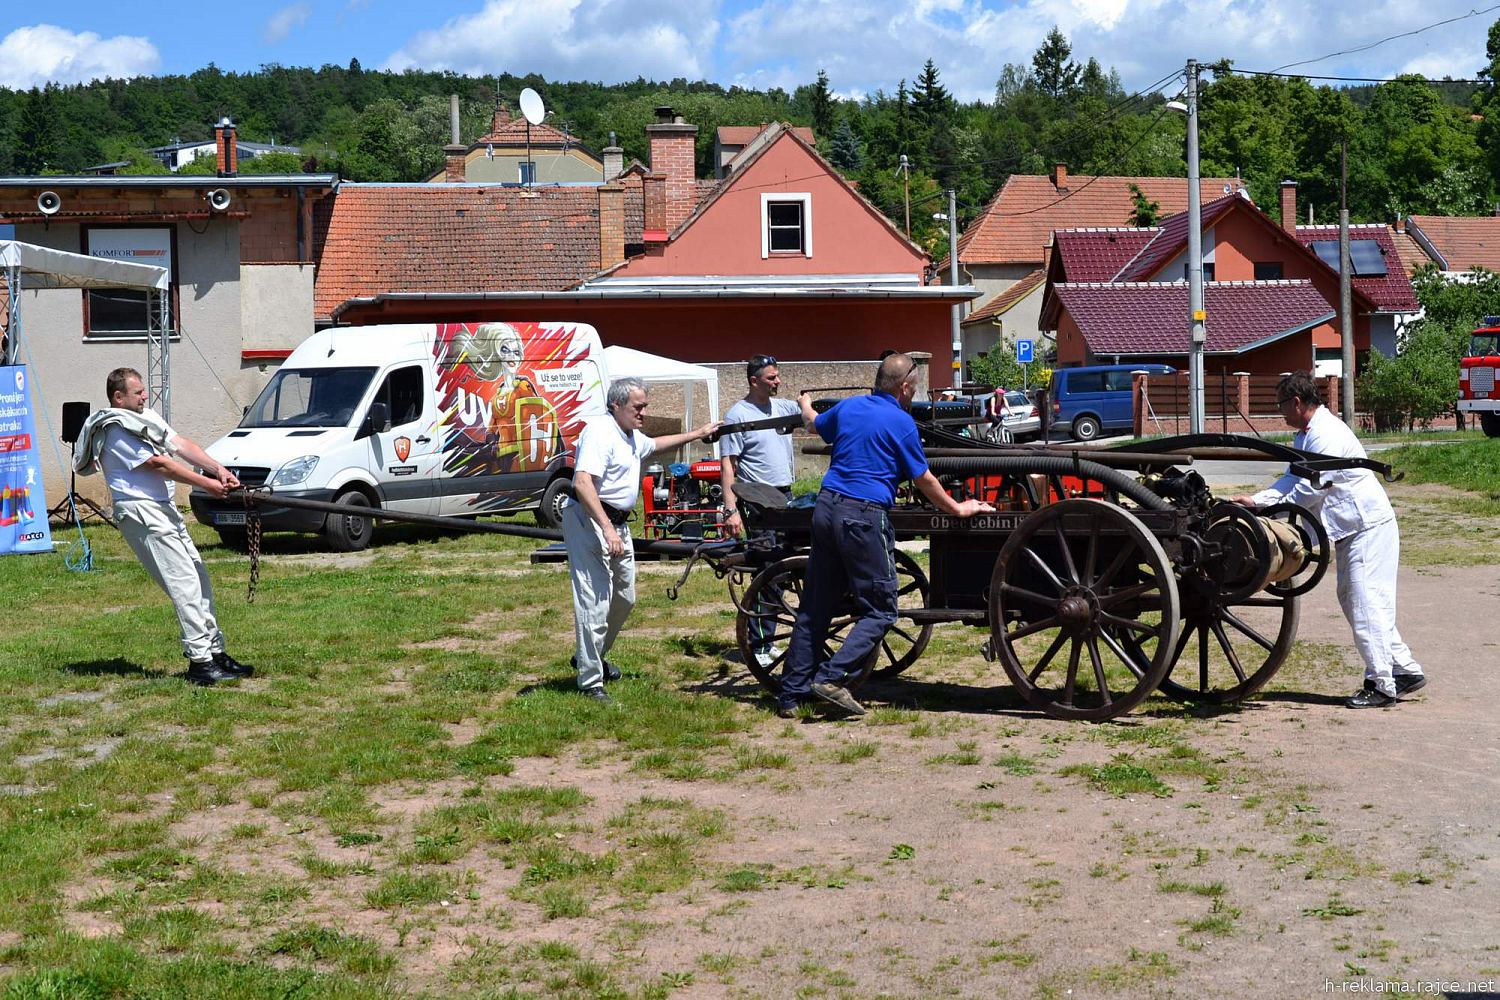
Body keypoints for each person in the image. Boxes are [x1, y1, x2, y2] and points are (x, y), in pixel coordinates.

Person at [780, 354, 994, 718]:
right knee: (881, 609)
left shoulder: (849, 407)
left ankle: (791, 695)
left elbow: (813, 423)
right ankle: (831, 678)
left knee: (815, 606)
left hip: (827, 508)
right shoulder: (901, 422)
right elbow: (923, 478)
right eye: (915, 388)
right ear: (905, 388)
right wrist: (958, 508)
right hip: (863, 516)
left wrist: (805, 404)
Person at [1231, 372, 1424, 709]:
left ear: (1296, 402)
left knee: (1364, 602)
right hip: (1354, 528)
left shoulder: (1325, 434)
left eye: (1280, 405)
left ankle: (1381, 685)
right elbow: (1292, 478)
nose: (1280, 412)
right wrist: (1258, 501)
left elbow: (1309, 490)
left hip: (1367, 528)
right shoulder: (1306, 435)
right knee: (1357, 598)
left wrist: (1269, 512)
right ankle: (1403, 669)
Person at [74, 368, 252, 685]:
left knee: (198, 576)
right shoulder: (115, 430)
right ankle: (200, 662)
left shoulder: (145, 418)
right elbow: (159, 464)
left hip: (162, 508)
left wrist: (218, 470)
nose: (145, 396)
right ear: (119, 397)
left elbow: (179, 444)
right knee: (184, 583)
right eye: (138, 392)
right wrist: (207, 484)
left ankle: (215, 652)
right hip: (141, 511)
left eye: (144, 390)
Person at [565, 377, 719, 702]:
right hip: (590, 519)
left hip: (615, 523)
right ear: (616, 405)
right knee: (595, 601)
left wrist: (698, 433)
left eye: (645, 406)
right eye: (638, 407)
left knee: (625, 597)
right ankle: (591, 681)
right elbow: (582, 483)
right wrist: (607, 528)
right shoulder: (599, 432)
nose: (643, 412)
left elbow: (657, 444)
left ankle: (588, 657)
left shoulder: (631, 436)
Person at [720, 354, 802, 669]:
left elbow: (809, 413)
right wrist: (731, 510)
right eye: (771, 377)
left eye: (777, 376)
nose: (777, 381)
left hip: (785, 497)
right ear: (754, 381)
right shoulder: (737, 415)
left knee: (783, 569)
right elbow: (729, 465)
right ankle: (760, 644)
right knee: (767, 572)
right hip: (757, 501)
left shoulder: (782, 408)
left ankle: (770, 639)